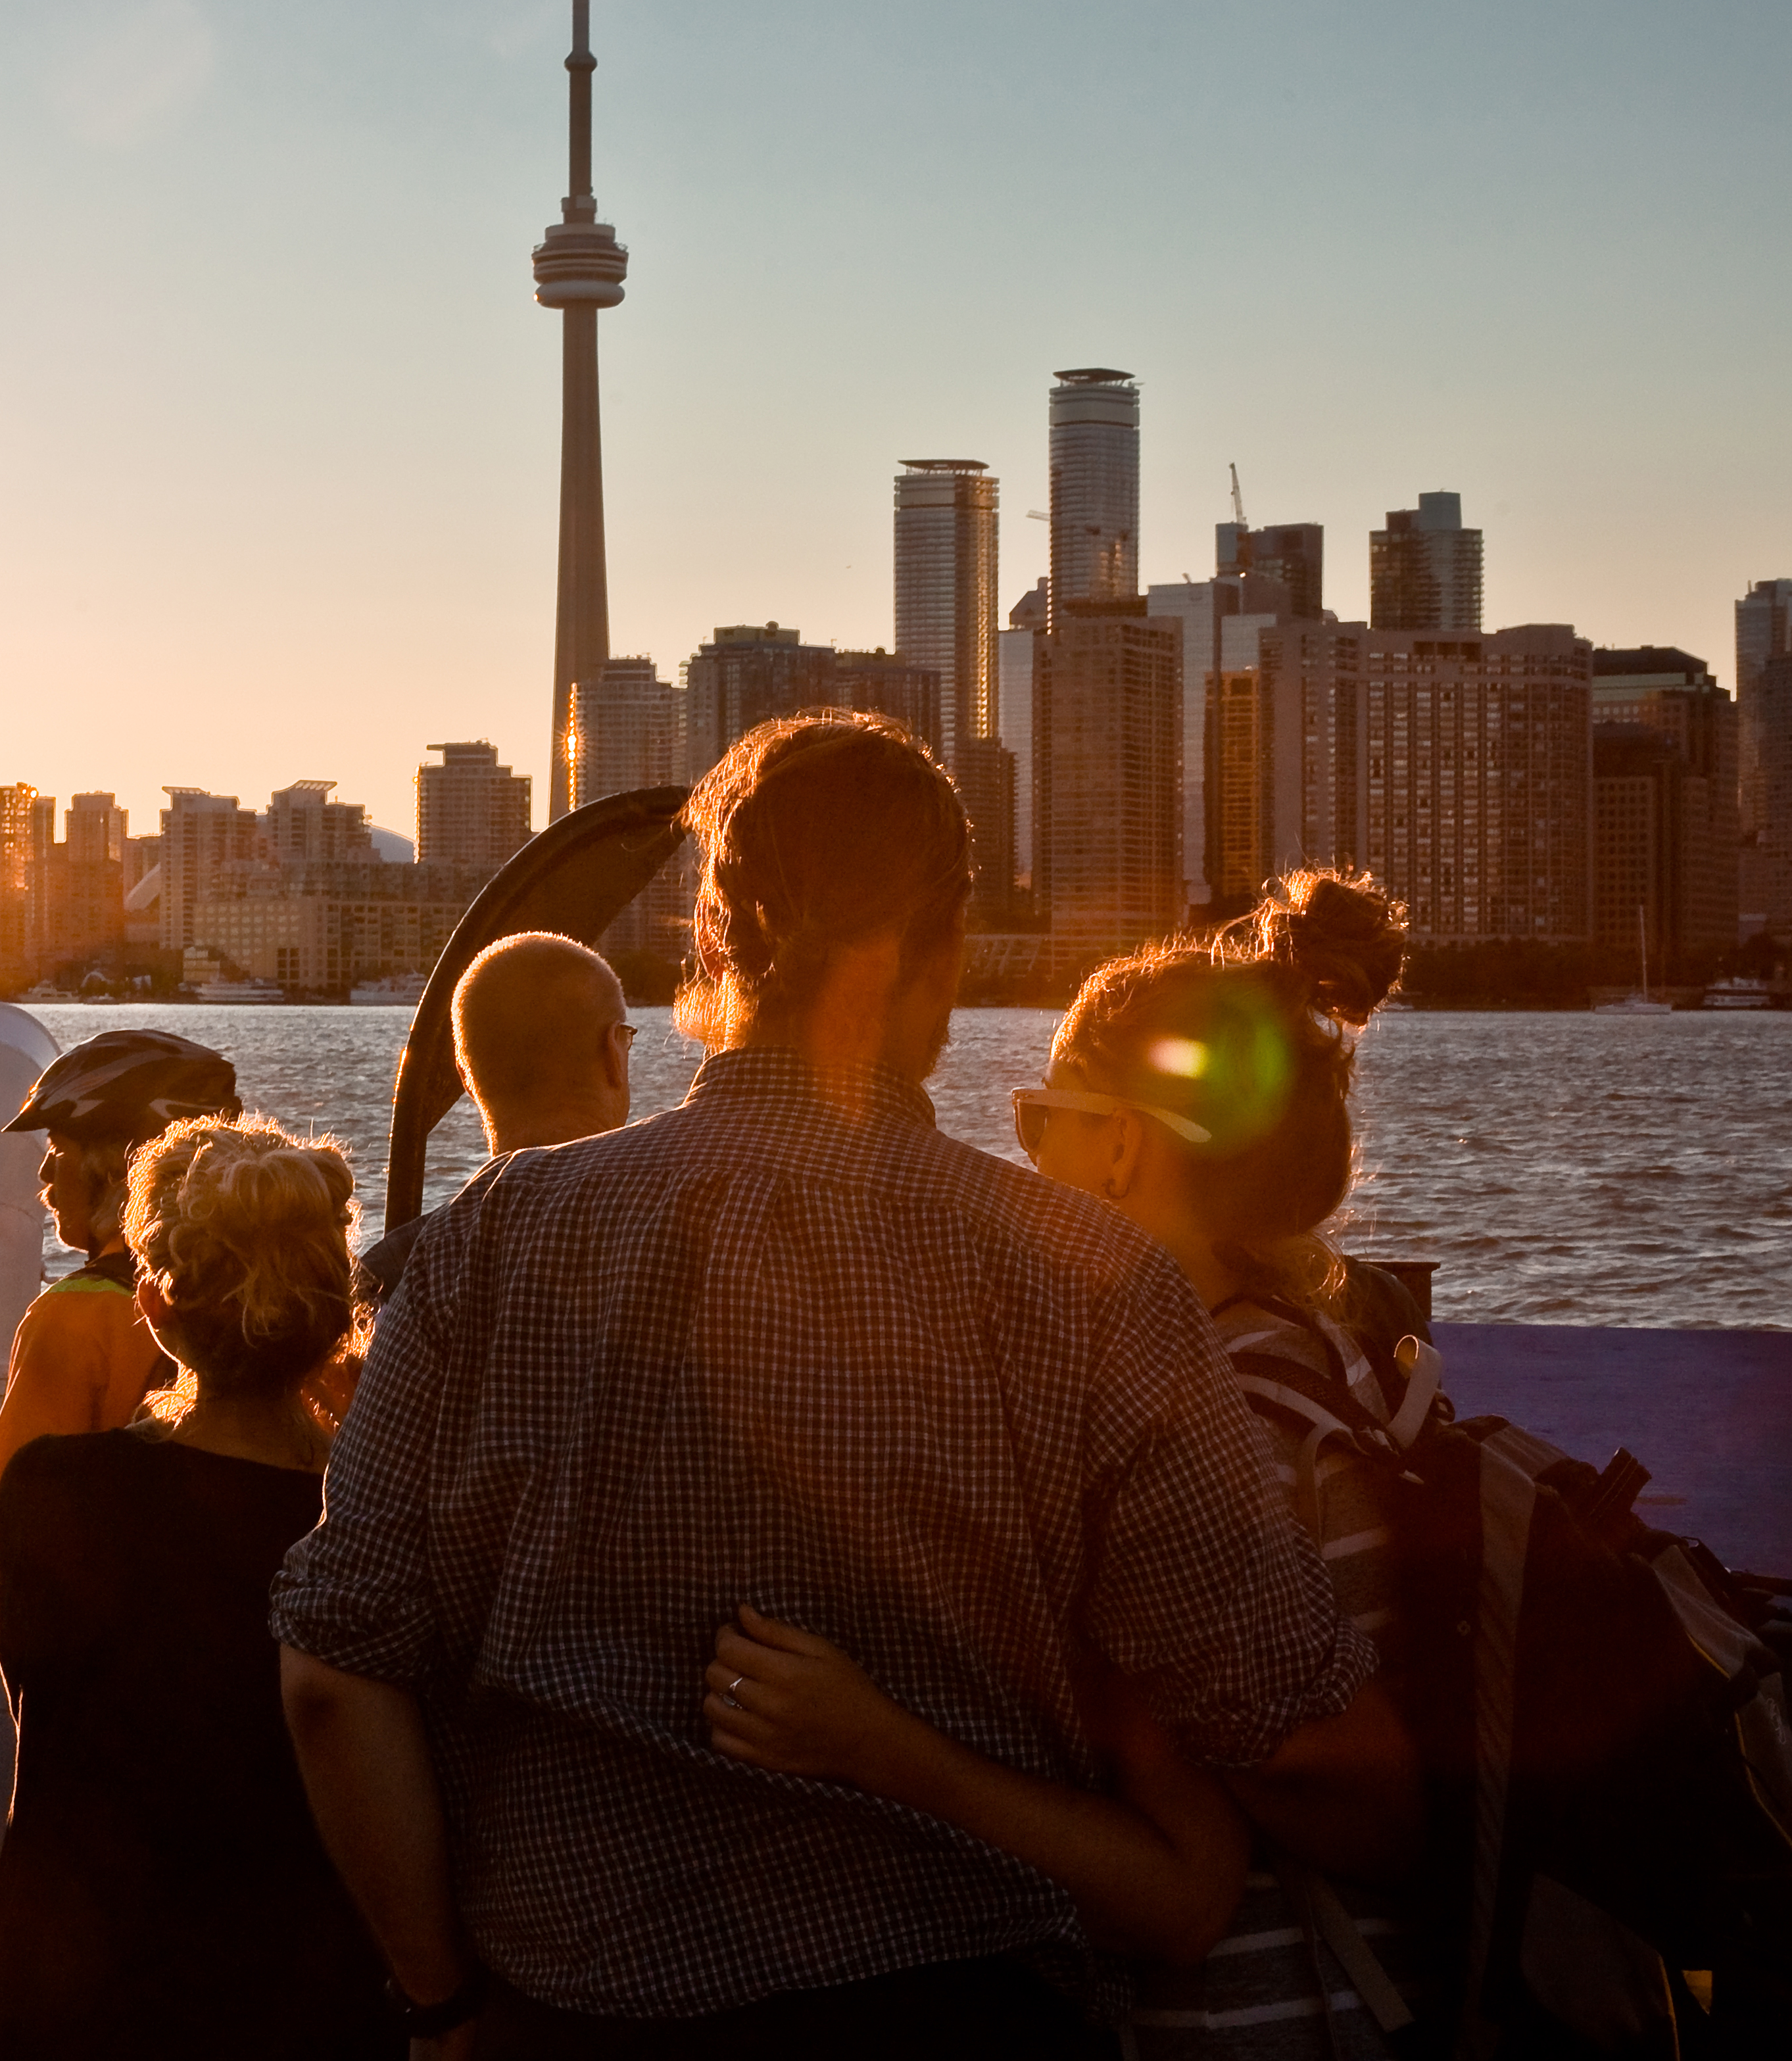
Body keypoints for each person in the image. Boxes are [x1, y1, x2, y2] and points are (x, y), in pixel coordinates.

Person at [271, 710, 1415, 2058]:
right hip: (964, 2019)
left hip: (568, 2016)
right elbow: (1290, 1741)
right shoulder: (1092, 1286)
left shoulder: (490, 1241)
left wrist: (445, 2003)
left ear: (705, 941)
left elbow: (334, 1676)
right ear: (945, 958)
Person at [700, 868, 1425, 2054]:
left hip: (1256, 2018)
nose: (1025, 1158)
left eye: (1042, 1119)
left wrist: (870, 1740)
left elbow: (1274, 1788)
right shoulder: (1321, 1359)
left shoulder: (1205, 1416)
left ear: (1124, 1151)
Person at [0, 1115, 390, 2060]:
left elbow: (33, 1696)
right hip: (296, 1992)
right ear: (334, 1314)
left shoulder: (51, 1491)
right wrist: (371, 1457)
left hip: (74, 1984)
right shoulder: (364, 1523)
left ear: (153, 1307)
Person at [0, 1030, 242, 1816]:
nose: (45, 1173)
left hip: (110, 1723)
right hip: (251, 1707)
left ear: (122, 1161)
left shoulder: (76, 1318)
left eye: (60, 1146)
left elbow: (0, 1545)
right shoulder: (291, 1308)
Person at [355, 932, 634, 1303]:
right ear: (613, 1051)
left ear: (466, 1077)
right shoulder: (680, 1230)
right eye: (628, 1039)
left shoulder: (390, 1273)